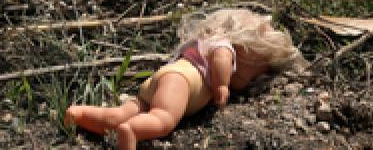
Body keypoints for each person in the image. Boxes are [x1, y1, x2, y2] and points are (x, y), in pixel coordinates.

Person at [64, 9, 305, 150]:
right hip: (180, 82)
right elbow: (223, 57)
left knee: (119, 113)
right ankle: (131, 133)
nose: (250, 80)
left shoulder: (205, 44)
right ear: (245, 50)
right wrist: (221, 85)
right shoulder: (224, 47)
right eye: (252, 74)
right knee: (163, 119)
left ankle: (76, 115)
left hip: (162, 78)